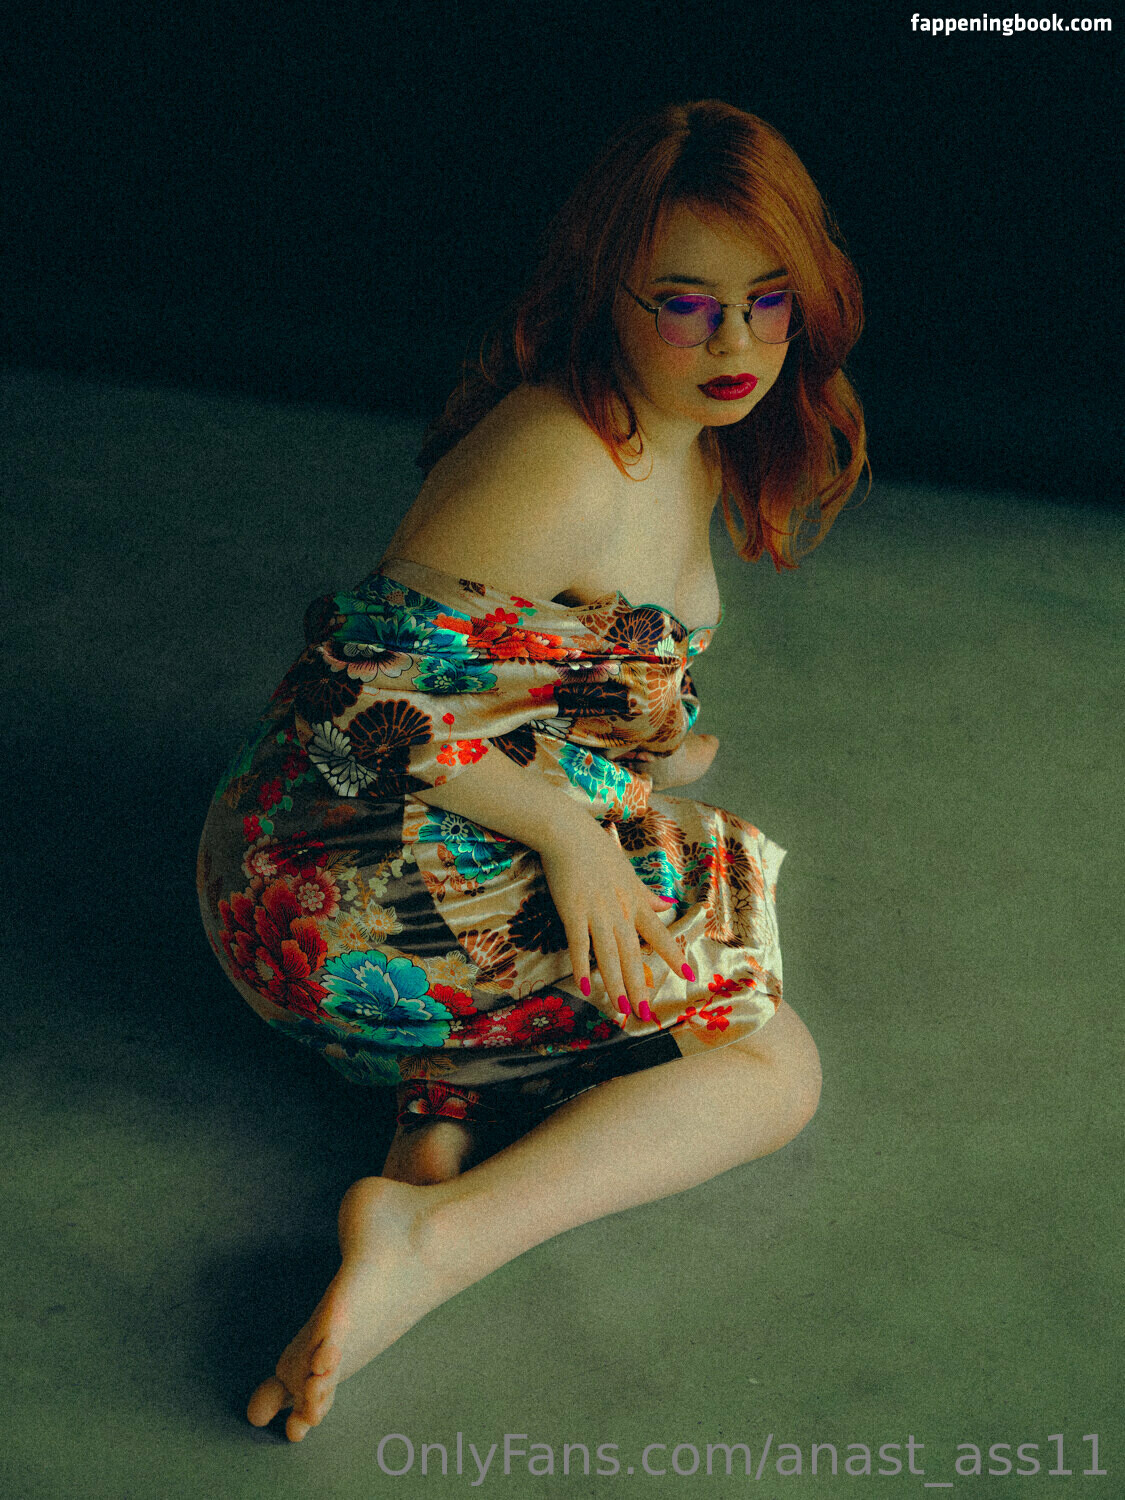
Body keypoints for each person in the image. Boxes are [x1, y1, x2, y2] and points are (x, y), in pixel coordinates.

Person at [195, 97, 869, 1442]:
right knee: (769, 1073)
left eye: (768, 300)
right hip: (327, 865)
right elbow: (338, 700)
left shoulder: (687, 438)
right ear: (604, 291)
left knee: (663, 906)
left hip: (430, 834)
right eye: (686, 305)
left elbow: (539, 660)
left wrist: (650, 746)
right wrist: (571, 837)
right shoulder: (564, 453)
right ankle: (434, 1241)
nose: (736, 344)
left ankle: (435, 1131)